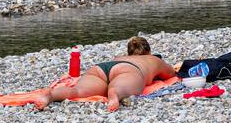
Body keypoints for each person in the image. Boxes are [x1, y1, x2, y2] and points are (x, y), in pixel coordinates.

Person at [26, 36, 178, 112]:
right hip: (128, 70)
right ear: (149, 51)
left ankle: (50, 95)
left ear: (129, 52)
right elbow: (170, 73)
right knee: (120, 88)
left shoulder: (120, 57)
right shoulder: (151, 59)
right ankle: (115, 94)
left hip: (101, 68)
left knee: (77, 91)